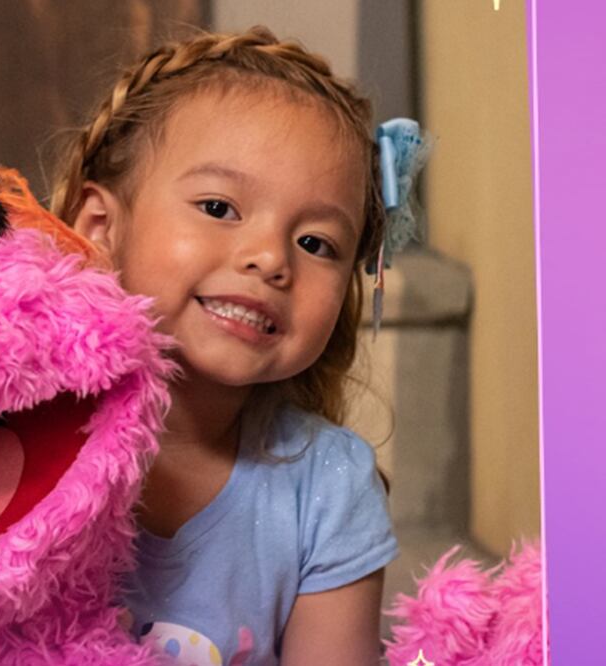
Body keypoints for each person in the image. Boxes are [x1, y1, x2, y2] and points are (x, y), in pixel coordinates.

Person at [49, 27, 399, 665]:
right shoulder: (3, 435)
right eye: (219, 206)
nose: (270, 258)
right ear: (100, 227)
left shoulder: (328, 486)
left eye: (317, 243)